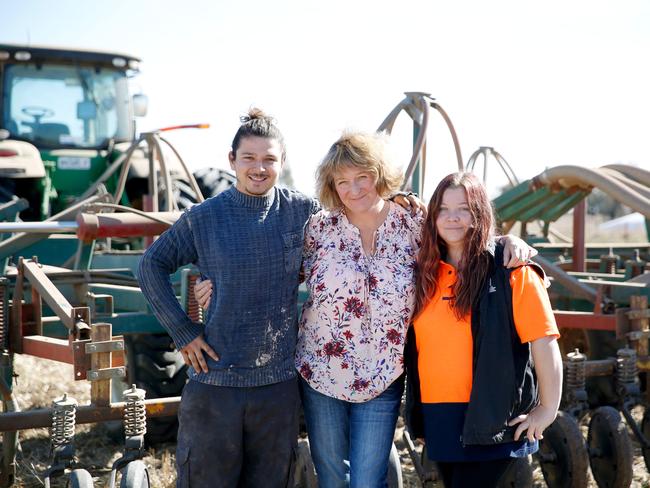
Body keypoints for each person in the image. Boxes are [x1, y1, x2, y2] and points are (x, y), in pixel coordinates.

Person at [196, 133, 535, 488]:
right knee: (331, 478)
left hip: (383, 375)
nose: (353, 189)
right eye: (342, 182)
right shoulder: (318, 229)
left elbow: (462, 238)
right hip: (321, 373)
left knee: (368, 480)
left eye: (362, 178)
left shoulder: (413, 225)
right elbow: (270, 271)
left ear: (379, 174)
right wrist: (218, 285)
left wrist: (506, 243)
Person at [138, 109, 319, 488]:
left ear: (281, 162)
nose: (259, 168)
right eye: (249, 158)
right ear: (231, 160)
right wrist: (184, 331)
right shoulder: (204, 218)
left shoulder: (303, 212)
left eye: (269, 158)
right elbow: (151, 265)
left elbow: (352, 226)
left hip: (277, 387)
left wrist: (401, 201)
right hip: (215, 386)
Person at [405, 172, 563, 488]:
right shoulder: (425, 274)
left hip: (492, 414)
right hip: (440, 419)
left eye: (463, 208)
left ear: (479, 214)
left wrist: (547, 409)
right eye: (443, 210)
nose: (452, 218)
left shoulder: (512, 273)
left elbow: (544, 343)